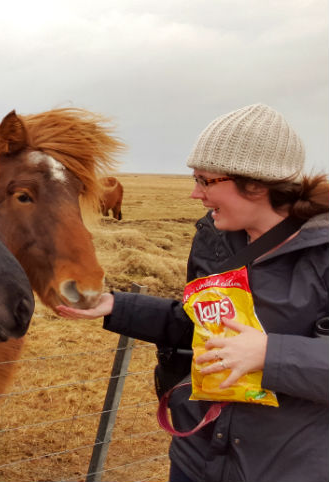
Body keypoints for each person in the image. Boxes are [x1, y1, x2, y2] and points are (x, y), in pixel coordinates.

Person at [57, 103, 329, 482]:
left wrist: (269, 354)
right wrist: (115, 305)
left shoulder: (322, 252)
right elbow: (197, 326)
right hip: (197, 454)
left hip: (286, 462)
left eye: (205, 180)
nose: (194, 194)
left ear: (256, 183)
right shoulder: (214, 240)